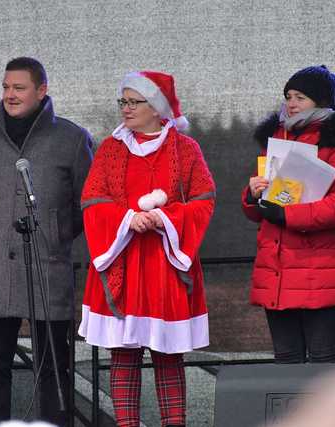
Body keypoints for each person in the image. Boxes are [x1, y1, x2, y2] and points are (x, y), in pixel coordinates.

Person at [78, 71, 215, 427]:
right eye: (122, 101)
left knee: (168, 355)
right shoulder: (110, 149)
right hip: (122, 258)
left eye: (133, 101)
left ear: (156, 107)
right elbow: (92, 201)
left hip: (163, 263)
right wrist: (127, 220)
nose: (125, 108)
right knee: (123, 355)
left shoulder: (186, 150)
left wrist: (162, 219)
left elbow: (203, 200)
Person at [0, 57, 94, 427]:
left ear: (41, 90)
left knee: (53, 363)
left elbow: (86, 204)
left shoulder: (72, 138)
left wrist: (53, 232)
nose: (10, 94)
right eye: (5, 87)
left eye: (19, 88)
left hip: (47, 266)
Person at [241, 65, 335, 363]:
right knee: (286, 361)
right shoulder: (276, 139)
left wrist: (288, 215)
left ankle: (329, 413)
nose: (291, 103)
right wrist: (253, 194)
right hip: (278, 270)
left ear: (321, 101)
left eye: (300, 97)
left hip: (320, 270)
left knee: (322, 362)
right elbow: (258, 209)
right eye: (288, 96)